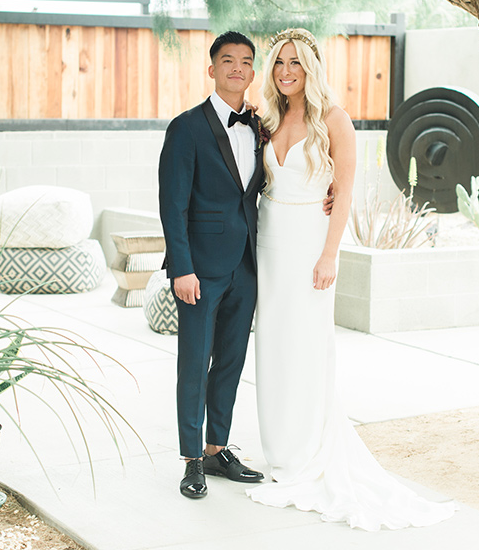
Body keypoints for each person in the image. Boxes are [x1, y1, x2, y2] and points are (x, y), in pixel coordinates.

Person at [246, 28, 458, 530]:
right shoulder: (268, 118)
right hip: (269, 241)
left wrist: (329, 255)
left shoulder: (334, 120)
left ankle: (307, 453)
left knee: (306, 345)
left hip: (309, 244)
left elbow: (343, 194)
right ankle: (281, 453)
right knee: (272, 345)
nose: (286, 71)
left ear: (311, 68)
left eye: (295, 63)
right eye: (279, 63)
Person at [158, 31, 266, 499]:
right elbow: (172, 203)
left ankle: (217, 449)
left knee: (231, 363)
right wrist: (181, 268)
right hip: (199, 270)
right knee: (193, 363)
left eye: (245, 61)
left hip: (246, 266)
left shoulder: (260, 126)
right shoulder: (186, 128)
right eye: (228, 60)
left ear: (252, 72)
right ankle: (190, 460)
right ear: (212, 69)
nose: (237, 68)